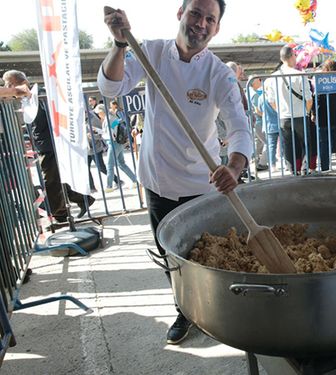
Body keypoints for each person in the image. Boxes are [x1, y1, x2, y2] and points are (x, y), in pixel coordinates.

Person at [98, 0, 252, 345]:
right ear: (180, 14)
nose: (200, 23)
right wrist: (120, 44)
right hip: (158, 181)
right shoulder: (149, 52)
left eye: (209, 19)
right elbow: (111, 88)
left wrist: (235, 165)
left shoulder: (219, 73)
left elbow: (239, 126)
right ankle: (184, 311)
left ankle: (215, 311)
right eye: (195, 13)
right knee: (170, 257)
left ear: (216, 29)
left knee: (207, 257)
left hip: (203, 185)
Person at [2, 70, 95, 221]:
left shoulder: (41, 95)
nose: (7, 87)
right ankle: (81, 200)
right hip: (44, 143)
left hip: (50, 144)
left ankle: (58, 212)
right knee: (56, 177)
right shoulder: (29, 98)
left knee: (50, 178)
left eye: (9, 84)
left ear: (20, 83)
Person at [265, 45, 317, 174]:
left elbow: (271, 101)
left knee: (289, 146)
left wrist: (280, 111)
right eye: (295, 55)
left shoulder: (272, 78)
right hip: (300, 115)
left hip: (284, 116)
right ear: (291, 56)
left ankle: (294, 170)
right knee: (305, 143)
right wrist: (306, 111)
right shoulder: (300, 75)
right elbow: (309, 98)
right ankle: (306, 168)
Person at [314, 59, 336, 171]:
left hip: (324, 120)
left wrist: (314, 114)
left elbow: (317, 100)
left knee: (324, 146)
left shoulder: (321, 82)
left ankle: (325, 169)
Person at [94, 104, 137, 192]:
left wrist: (99, 134)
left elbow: (110, 134)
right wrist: (98, 131)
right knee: (121, 164)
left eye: (99, 113)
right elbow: (110, 131)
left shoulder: (108, 119)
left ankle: (109, 186)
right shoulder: (110, 118)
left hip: (113, 143)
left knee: (110, 165)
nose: (98, 115)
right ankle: (135, 180)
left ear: (102, 111)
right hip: (117, 143)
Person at [248, 76, 269, 171]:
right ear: (254, 82)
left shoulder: (249, 92)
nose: (260, 81)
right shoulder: (254, 95)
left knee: (259, 142)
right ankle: (262, 163)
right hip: (258, 121)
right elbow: (258, 110)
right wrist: (266, 115)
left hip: (253, 121)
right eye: (259, 79)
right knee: (268, 143)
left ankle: (255, 162)